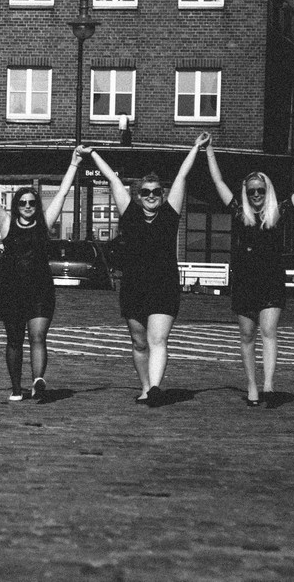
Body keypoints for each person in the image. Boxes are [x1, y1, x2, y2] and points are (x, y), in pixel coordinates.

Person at [206, 138, 294, 406]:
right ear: (246, 194)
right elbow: (219, 183)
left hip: (271, 282)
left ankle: (269, 385)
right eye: (252, 192)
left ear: (267, 191)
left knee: (269, 330)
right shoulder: (240, 215)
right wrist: (209, 150)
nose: (257, 195)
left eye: (260, 190)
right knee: (247, 336)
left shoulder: (278, 213)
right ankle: (251, 385)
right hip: (245, 283)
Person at [86, 133, 208, 406]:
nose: (151, 196)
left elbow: (181, 177)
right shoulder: (129, 214)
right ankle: (145, 387)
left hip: (164, 286)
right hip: (134, 287)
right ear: (138, 196)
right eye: (146, 192)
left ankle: (155, 388)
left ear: (162, 196)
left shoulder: (170, 215)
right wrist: (92, 154)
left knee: (158, 338)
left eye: (156, 192)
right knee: (139, 342)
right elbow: (113, 180)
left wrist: (195, 148)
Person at [0, 145, 85, 402]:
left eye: (32, 202)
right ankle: (15, 388)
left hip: (41, 290)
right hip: (12, 291)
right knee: (13, 340)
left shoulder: (44, 223)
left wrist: (74, 164)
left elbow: (63, 192)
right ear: (16, 206)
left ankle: (38, 382)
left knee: (37, 336)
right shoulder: (7, 224)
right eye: (22, 203)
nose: (28, 206)